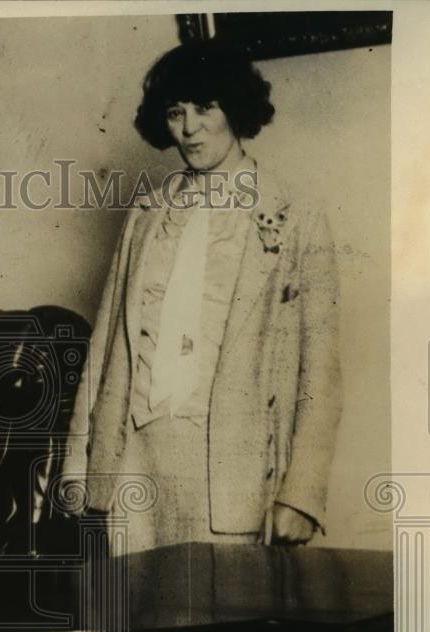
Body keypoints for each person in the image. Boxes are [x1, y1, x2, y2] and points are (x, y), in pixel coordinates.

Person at [62, 40, 342, 551]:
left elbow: (319, 371)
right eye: (175, 112)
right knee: (134, 625)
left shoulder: (295, 217)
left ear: (234, 108)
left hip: (236, 477)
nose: (189, 128)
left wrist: (301, 495)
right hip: (132, 468)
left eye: (204, 108)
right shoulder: (146, 217)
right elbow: (103, 350)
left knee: (228, 627)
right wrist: (79, 467)